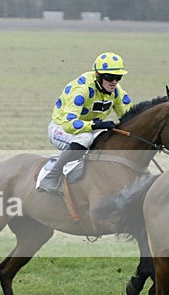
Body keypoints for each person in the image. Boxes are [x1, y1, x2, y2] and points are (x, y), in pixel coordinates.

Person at [38, 52, 133, 193]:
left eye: (118, 77)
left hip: (87, 128)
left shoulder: (116, 92)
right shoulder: (80, 90)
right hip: (61, 128)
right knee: (85, 138)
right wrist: (96, 125)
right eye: (109, 77)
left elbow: (130, 117)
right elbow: (69, 124)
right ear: (97, 75)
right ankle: (50, 177)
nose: (114, 82)